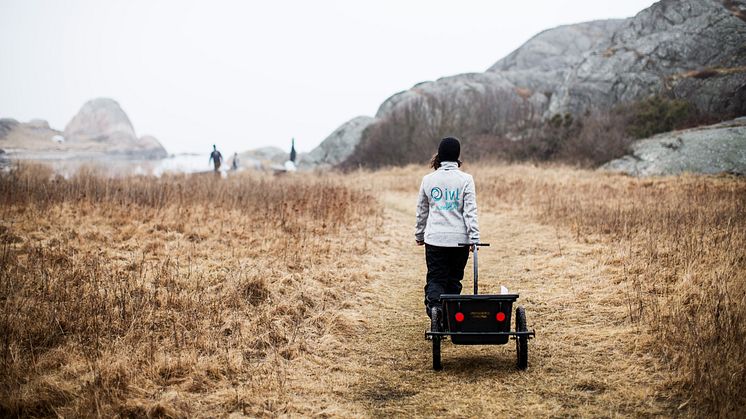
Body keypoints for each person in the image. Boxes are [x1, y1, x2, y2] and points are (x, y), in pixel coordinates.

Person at [414, 137, 479, 328]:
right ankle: (449, 319)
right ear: (457, 156)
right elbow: (470, 211)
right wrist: (474, 238)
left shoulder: (428, 180)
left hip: (435, 240)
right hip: (460, 241)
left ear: (440, 155)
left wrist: (419, 234)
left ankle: (436, 312)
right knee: (453, 281)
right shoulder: (466, 180)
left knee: (436, 278)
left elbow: (422, 211)